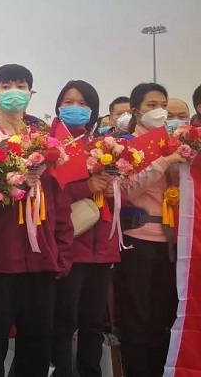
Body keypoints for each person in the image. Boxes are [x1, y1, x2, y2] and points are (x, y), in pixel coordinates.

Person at [0, 64, 74, 377]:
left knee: (37, 347)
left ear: (30, 94)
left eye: (20, 86)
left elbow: (60, 204)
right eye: (6, 86)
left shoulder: (46, 144)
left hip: (42, 261)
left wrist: (61, 253)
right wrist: (10, 184)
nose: (14, 92)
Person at [49, 80, 120, 377]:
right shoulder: (49, 147)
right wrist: (85, 187)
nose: (75, 108)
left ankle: (91, 372)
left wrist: (115, 190)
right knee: (64, 321)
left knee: (93, 323)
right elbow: (48, 196)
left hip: (101, 248)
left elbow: (123, 193)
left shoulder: (106, 147)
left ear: (93, 110)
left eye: (82, 103)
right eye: (68, 102)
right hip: (68, 247)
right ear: (58, 107)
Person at [118, 83, 185, 377]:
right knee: (137, 316)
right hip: (138, 239)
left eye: (164, 105)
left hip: (171, 242)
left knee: (163, 316)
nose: (160, 111)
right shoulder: (126, 146)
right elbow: (126, 191)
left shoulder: (175, 144)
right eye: (151, 105)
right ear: (136, 111)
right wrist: (164, 161)